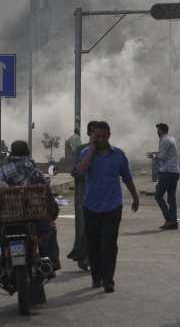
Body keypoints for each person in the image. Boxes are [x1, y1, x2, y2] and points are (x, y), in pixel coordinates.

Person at [76, 121, 139, 293]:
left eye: (104, 136)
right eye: (98, 136)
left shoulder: (118, 155)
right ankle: (96, 277)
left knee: (110, 243)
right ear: (93, 136)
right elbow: (80, 172)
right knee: (94, 244)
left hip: (113, 205)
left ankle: (108, 280)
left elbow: (127, 177)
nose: (101, 139)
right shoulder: (85, 153)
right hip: (92, 206)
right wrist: (90, 149)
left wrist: (135, 197)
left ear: (109, 135)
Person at [0, 140, 61, 273]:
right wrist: (50, 214)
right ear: (28, 153)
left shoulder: (3, 172)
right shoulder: (35, 172)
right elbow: (47, 196)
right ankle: (50, 264)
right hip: (33, 216)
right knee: (49, 231)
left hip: (7, 218)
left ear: (11, 153)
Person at [67, 120, 97, 271]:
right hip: (85, 195)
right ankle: (84, 257)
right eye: (93, 133)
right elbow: (75, 172)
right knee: (85, 228)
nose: (96, 136)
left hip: (102, 198)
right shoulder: (81, 149)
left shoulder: (108, 151)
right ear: (88, 134)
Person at [145, 123, 180, 230]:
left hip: (167, 172)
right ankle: (173, 222)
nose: (157, 132)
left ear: (161, 130)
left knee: (158, 195)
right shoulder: (172, 139)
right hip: (175, 172)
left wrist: (153, 156)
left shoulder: (164, 140)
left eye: (158, 130)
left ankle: (169, 220)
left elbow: (163, 157)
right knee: (171, 198)